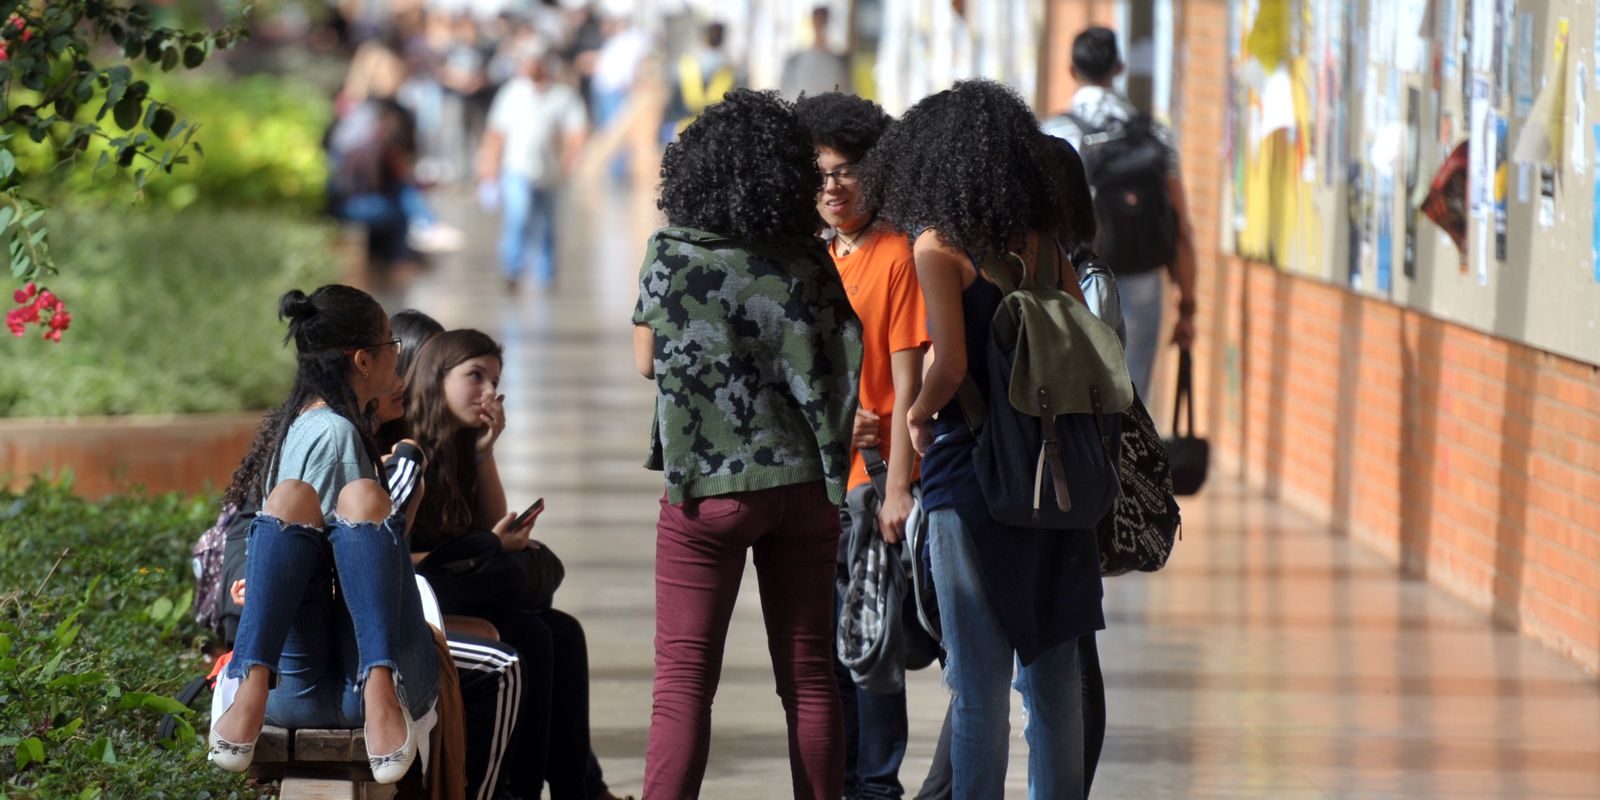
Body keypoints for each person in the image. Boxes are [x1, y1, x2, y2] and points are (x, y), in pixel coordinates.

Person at [863, 79, 1102, 799]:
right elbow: (1079, 346)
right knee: (1055, 682)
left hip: (972, 476)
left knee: (978, 687)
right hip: (1054, 474)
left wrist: (917, 415)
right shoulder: (1043, 244)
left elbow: (951, 363)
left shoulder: (938, 246)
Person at [631, 88, 862, 800]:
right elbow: (841, 357)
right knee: (810, 676)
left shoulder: (672, 253)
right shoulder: (809, 258)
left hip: (709, 491)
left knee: (683, 682)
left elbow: (647, 361)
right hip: (804, 487)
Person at [208, 285, 439, 786]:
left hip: (294, 691)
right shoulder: (335, 436)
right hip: (351, 674)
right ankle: (374, 686)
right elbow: (346, 576)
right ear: (363, 360)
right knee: (360, 500)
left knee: (299, 499)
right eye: (391, 344)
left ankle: (252, 685)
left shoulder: (302, 423)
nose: (397, 357)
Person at [794, 90, 925, 800]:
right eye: (819, 174)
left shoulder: (897, 254)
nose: (832, 188)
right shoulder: (806, 256)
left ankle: (876, 786)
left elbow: (909, 386)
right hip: (809, 482)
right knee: (821, 650)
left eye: (846, 171)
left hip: (868, 484)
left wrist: (898, 488)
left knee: (871, 645)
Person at [1041, 26, 1196, 399]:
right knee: (1132, 391)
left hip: (1075, 278)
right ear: (1119, 67)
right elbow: (1181, 228)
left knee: (1076, 394)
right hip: (1141, 276)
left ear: (1071, 70)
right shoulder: (1155, 135)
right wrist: (1187, 306)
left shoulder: (1054, 133)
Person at [478, 41, 588, 290]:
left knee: (546, 223)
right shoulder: (512, 93)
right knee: (518, 217)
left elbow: (576, 130)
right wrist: (489, 166)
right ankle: (512, 269)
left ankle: (546, 273)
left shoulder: (563, 96)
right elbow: (496, 133)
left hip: (549, 173)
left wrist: (571, 156)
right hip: (517, 168)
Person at [661, 21, 738, 141]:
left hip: (683, 128)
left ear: (704, 38)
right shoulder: (729, 70)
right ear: (723, 39)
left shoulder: (687, 64)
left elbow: (670, 98)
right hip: (715, 131)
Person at [780, 5, 854, 100]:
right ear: (813, 22)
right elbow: (785, 93)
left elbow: (849, 92)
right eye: (818, 21)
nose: (821, 27)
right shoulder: (795, 60)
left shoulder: (841, 62)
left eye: (823, 22)